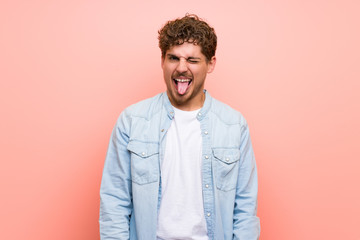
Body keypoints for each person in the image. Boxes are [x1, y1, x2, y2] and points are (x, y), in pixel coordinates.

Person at [99, 14, 260, 240]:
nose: (181, 68)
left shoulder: (234, 125)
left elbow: (245, 209)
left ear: (210, 64)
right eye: (173, 58)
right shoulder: (132, 121)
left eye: (192, 61)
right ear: (162, 61)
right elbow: (114, 202)